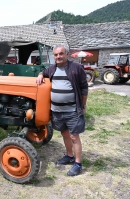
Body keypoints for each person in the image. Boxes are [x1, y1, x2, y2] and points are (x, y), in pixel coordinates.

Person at [36, 44, 88, 176]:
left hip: (72, 110)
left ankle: (78, 163)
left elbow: (84, 88)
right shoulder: (52, 69)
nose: (58, 56)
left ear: (67, 54)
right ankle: (69, 156)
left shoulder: (77, 68)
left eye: (61, 54)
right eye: (56, 54)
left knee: (74, 136)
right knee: (65, 134)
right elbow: (43, 72)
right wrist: (41, 74)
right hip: (57, 110)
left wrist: (83, 106)